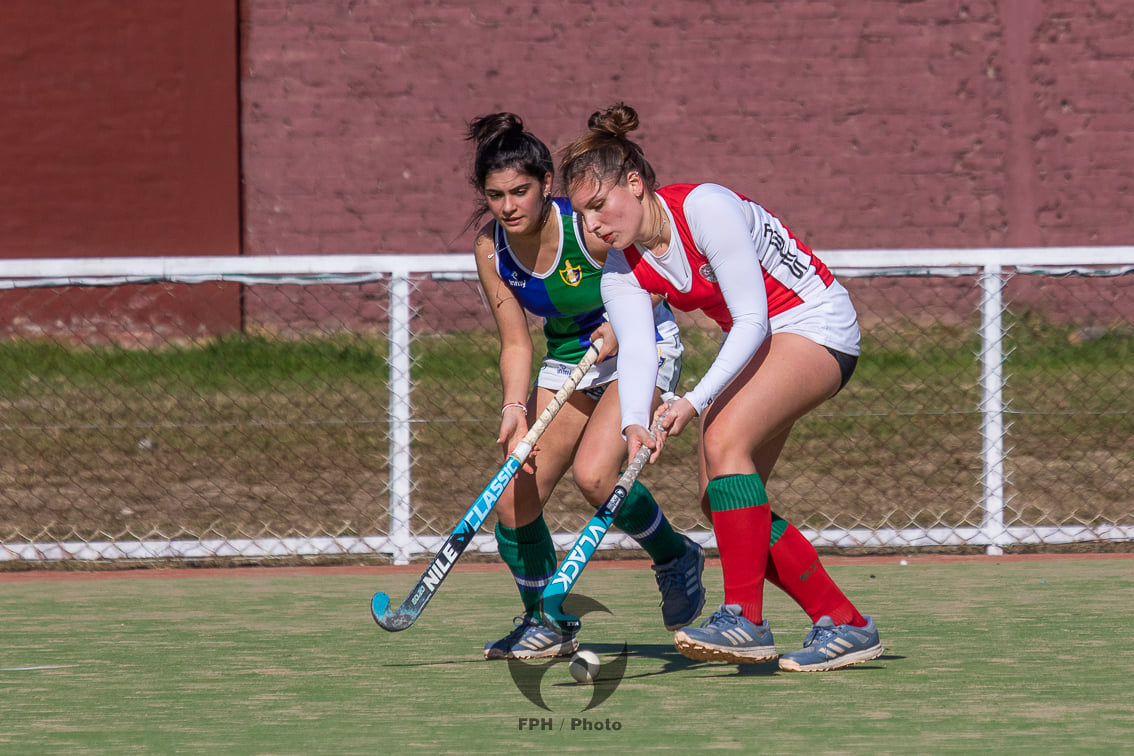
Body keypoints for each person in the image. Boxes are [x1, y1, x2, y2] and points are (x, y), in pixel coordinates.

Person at [559, 103, 884, 672]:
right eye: (583, 215)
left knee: (723, 438)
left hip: (815, 323)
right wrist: (634, 423)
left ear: (634, 184)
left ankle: (744, 620)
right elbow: (638, 351)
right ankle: (844, 622)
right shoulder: (621, 271)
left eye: (600, 205)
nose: (594, 226)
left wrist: (692, 401)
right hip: (767, 340)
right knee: (723, 502)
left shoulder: (705, 208)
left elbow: (753, 319)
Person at [465, 112, 706, 661]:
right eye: (496, 195)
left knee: (595, 476)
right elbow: (516, 342)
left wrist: (623, 322)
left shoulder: (586, 225)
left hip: (639, 347)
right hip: (570, 362)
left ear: (546, 184)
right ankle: (545, 622)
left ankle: (675, 556)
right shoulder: (491, 249)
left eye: (520, 192)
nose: (508, 207)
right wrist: (513, 406)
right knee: (514, 497)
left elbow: (657, 280)